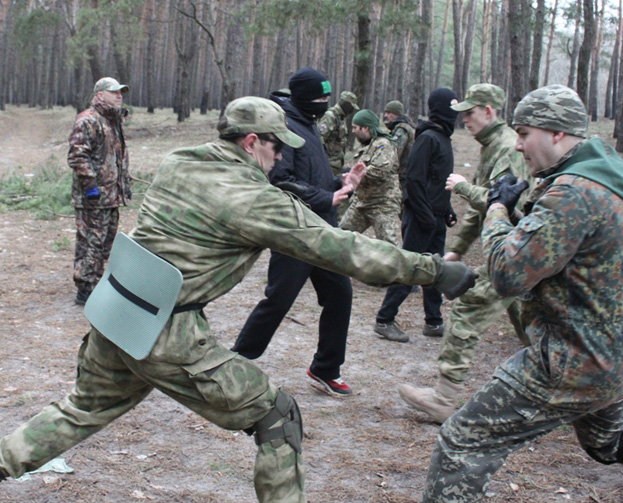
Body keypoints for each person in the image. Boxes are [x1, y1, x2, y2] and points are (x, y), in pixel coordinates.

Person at [0, 97, 477, 502]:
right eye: (275, 148)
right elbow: (345, 249)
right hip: (167, 331)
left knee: (78, 410)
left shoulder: (180, 161)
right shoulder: (252, 199)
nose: (278, 159)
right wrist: (433, 269)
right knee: (277, 415)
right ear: (252, 143)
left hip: (117, 311)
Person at [422, 85, 623, 502]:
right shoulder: (600, 176)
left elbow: (507, 275)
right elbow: (553, 243)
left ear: (555, 133)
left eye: (524, 133)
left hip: (576, 360)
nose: (518, 144)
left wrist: (498, 208)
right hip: (620, 355)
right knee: (605, 442)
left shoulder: (573, 191)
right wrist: (518, 208)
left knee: (461, 442)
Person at [398, 83, 534, 423]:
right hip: (515, 248)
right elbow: (484, 211)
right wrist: (457, 250)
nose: (464, 121)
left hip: (518, 249)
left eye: (470, 114)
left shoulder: (506, 149)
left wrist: (462, 187)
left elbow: (503, 202)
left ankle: (443, 399)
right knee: (534, 321)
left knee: (468, 310)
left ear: (488, 112)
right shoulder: (491, 147)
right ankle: (569, 393)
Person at [232, 68, 360, 397]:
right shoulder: (284, 127)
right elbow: (279, 181)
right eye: (320, 98)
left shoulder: (309, 123)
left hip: (321, 228)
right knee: (279, 299)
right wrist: (324, 197)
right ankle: (236, 363)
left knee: (340, 294)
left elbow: (312, 176)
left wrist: (340, 184)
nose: (325, 104)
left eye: (327, 98)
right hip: (293, 231)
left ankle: (326, 367)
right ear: (303, 97)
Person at [373, 88, 460, 344]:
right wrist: (425, 216)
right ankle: (384, 320)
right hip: (421, 217)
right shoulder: (428, 138)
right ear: (441, 109)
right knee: (409, 269)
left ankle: (434, 322)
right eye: (452, 108)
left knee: (435, 269)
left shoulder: (443, 138)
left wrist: (447, 210)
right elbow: (414, 180)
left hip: (435, 216)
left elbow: (437, 182)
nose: (456, 114)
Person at [68, 77, 131, 304]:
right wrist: (90, 186)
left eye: (121, 92)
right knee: (91, 242)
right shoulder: (88, 120)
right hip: (93, 197)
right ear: (99, 95)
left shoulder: (113, 121)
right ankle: (85, 289)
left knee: (106, 243)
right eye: (113, 91)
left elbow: (114, 159)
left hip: (111, 196)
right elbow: (77, 155)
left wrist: (124, 185)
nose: (119, 95)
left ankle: (97, 283)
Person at [339, 109, 401, 246]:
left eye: (355, 127)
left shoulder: (383, 144)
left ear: (366, 128)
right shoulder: (367, 146)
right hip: (361, 202)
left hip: (382, 204)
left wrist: (354, 175)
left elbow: (380, 170)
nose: (353, 131)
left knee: (389, 247)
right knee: (340, 237)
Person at [318, 90, 359, 176]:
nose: (352, 110)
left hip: (335, 165)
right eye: (351, 107)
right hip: (328, 165)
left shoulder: (340, 118)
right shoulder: (330, 116)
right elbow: (320, 139)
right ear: (346, 104)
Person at [383, 100, 415, 191]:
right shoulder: (402, 127)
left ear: (397, 114)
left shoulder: (402, 129)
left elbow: (395, 152)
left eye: (389, 113)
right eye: (385, 113)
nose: (386, 116)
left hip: (403, 176)